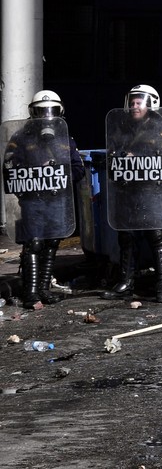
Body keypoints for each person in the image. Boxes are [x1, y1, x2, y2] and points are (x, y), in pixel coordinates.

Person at [3, 90, 84, 308]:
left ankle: (43, 289)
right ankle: (30, 293)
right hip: (33, 201)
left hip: (57, 201)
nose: (46, 116)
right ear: (32, 113)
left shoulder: (65, 140)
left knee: (52, 242)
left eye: (51, 111)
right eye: (41, 111)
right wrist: (34, 174)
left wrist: (60, 173)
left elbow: (78, 169)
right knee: (33, 244)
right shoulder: (20, 138)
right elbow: (9, 169)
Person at [103, 84, 162, 303]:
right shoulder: (122, 128)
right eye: (132, 102)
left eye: (140, 102)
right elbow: (112, 152)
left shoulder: (160, 127)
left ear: (151, 104)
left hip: (152, 191)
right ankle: (126, 282)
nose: (135, 106)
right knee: (126, 235)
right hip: (128, 190)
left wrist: (139, 155)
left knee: (156, 235)